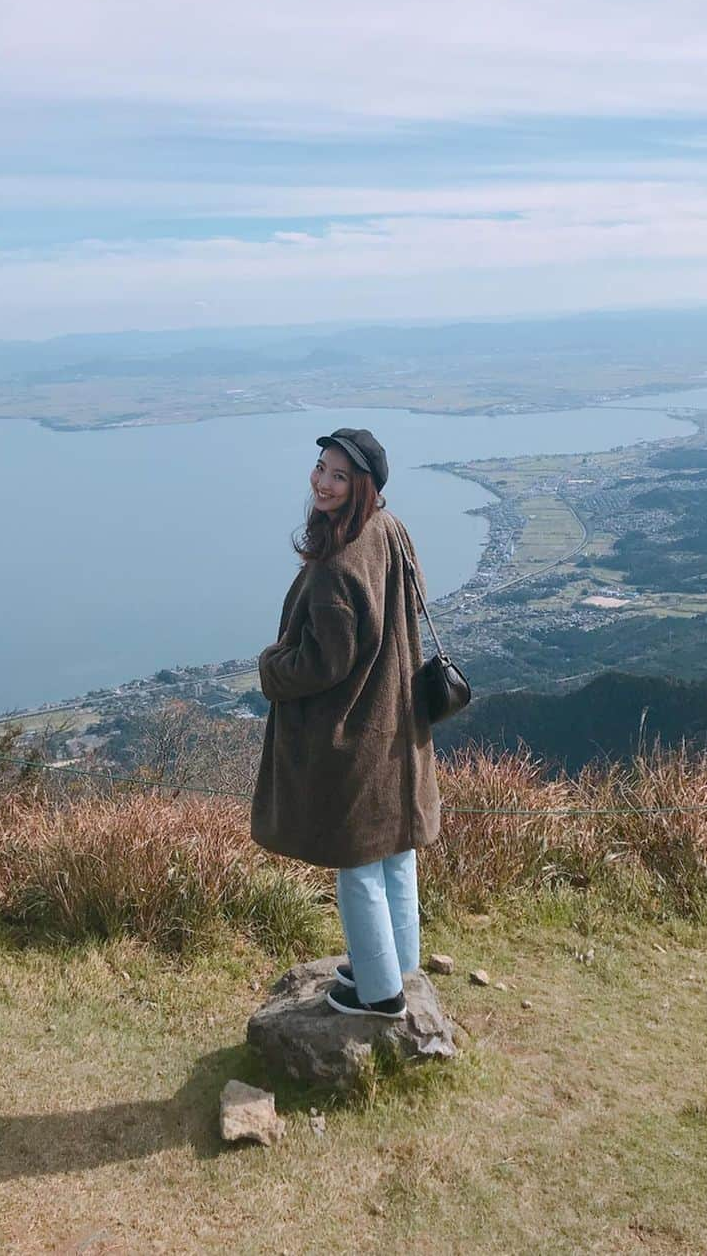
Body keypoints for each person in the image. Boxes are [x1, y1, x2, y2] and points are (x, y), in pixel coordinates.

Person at [251, 427, 441, 1019]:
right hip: (399, 730)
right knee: (396, 854)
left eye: (338, 475)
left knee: (357, 867)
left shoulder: (337, 563)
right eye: (320, 468)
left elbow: (324, 663)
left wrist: (272, 667)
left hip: (355, 739)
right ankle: (397, 967)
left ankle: (380, 994)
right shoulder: (389, 529)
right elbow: (412, 600)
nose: (322, 482)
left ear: (361, 486)